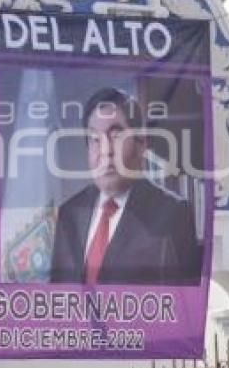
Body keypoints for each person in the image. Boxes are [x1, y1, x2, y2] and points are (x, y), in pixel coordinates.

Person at [49, 88, 199, 285]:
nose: (105, 151)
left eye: (116, 136)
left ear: (141, 144)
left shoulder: (173, 214)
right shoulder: (69, 213)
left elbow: (183, 303)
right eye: (95, 139)